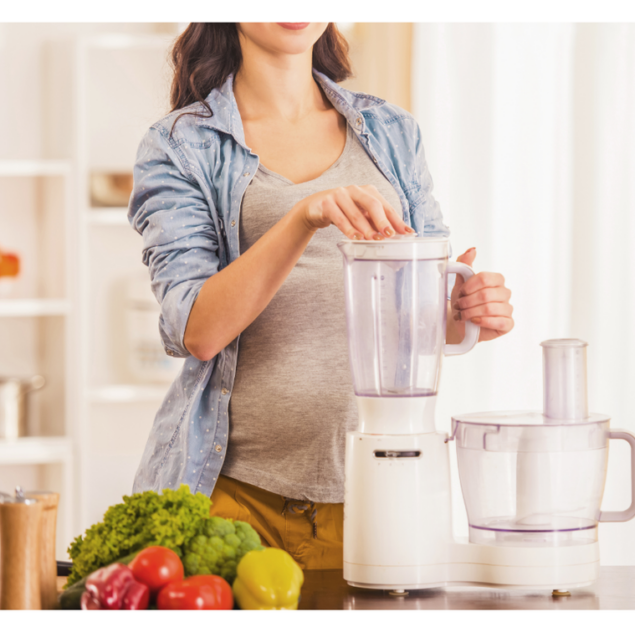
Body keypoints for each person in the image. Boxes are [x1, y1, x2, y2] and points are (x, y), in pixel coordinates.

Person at [128, 23, 514, 570]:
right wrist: (304, 215)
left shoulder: (391, 131)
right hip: (231, 497)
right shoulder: (179, 146)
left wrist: (465, 313)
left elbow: (427, 308)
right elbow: (199, 329)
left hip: (377, 492)